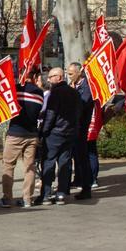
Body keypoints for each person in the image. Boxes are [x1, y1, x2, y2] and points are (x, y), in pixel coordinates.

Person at [0, 67, 44, 208]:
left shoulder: (15, 90)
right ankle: (27, 199)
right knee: (29, 168)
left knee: (8, 166)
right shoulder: (40, 93)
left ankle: (7, 198)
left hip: (15, 133)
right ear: (36, 77)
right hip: (32, 135)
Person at [39, 67, 79, 205]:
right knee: (64, 163)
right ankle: (61, 193)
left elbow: (51, 114)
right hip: (69, 133)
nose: (49, 80)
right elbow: (77, 113)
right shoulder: (74, 93)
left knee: (49, 162)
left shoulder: (55, 93)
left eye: (51, 77)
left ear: (59, 77)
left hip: (55, 133)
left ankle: (46, 194)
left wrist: (44, 130)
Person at [68, 62, 95, 200]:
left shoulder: (86, 87)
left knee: (83, 158)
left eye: (71, 73)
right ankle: (76, 182)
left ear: (79, 73)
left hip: (81, 127)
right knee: (75, 158)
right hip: (73, 128)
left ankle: (87, 187)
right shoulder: (73, 86)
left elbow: (82, 105)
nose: (69, 76)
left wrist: (72, 94)